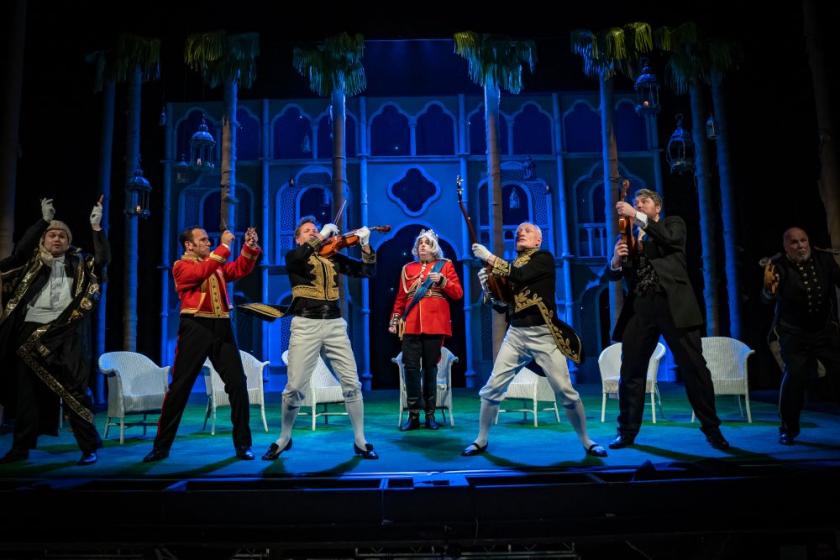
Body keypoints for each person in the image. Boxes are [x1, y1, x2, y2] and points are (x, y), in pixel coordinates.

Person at [462, 222, 606, 458]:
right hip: (516, 334)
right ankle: (481, 439)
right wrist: (488, 287)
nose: (521, 232)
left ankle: (587, 441)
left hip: (543, 334)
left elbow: (520, 275)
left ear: (538, 240)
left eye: (527, 230)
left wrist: (489, 257)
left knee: (566, 391)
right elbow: (502, 306)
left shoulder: (543, 258)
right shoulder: (510, 266)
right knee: (492, 388)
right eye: (519, 231)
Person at [607, 188, 729, 450]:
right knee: (631, 371)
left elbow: (669, 240)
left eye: (644, 202)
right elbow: (617, 275)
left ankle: (712, 429)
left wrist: (636, 215)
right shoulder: (628, 236)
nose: (639, 204)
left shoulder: (672, 224)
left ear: (657, 208)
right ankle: (626, 432)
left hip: (674, 305)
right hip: (641, 307)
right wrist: (616, 260)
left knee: (694, 368)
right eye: (636, 202)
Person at [0, 197, 108, 465]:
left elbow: (102, 261)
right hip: (29, 334)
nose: (57, 239)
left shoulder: (80, 262)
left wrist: (96, 228)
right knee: (26, 397)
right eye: (52, 235)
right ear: (43, 240)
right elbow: (18, 254)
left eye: (62, 235)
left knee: (73, 391)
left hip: (65, 333)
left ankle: (88, 446)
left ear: (68, 241)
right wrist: (43, 221)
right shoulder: (31, 263)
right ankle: (20, 448)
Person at [262, 217, 378, 461]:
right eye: (308, 231)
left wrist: (365, 245)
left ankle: (360, 440)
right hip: (306, 324)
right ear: (298, 239)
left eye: (315, 229)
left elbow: (367, 271)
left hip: (335, 324)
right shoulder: (294, 257)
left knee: (352, 383)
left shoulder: (332, 256)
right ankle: (284, 437)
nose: (314, 232)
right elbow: (299, 257)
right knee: (294, 387)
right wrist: (323, 234)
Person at [143, 226, 261, 462]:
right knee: (180, 387)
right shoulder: (181, 266)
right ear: (189, 245)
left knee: (238, 383)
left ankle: (243, 444)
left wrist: (249, 248)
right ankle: (161, 447)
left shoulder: (215, 264)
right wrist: (224, 246)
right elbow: (199, 273)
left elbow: (239, 269)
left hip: (222, 327)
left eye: (209, 240)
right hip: (196, 327)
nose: (208, 243)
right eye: (203, 240)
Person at [762, 227, 840, 445]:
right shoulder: (777, 265)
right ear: (786, 247)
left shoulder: (824, 259)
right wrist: (769, 289)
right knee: (795, 377)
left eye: (803, 241)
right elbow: (766, 298)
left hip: (824, 332)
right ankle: (788, 428)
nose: (800, 246)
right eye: (794, 243)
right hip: (793, 334)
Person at [389, 229, 463, 431]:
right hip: (411, 324)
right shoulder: (407, 269)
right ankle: (413, 415)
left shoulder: (445, 265)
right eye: (420, 243)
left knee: (430, 369)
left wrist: (443, 281)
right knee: (411, 369)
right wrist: (395, 320)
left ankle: (430, 415)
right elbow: (401, 298)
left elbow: (458, 293)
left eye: (427, 243)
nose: (422, 245)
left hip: (435, 323)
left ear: (434, 248)